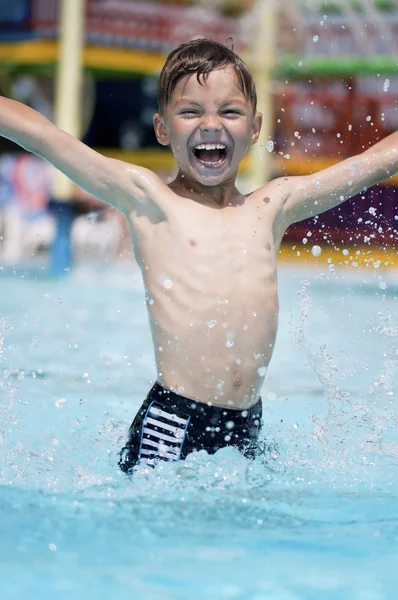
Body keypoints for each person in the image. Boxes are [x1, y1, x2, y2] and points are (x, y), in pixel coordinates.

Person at [0, 38, 396, 473]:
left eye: (229, 111)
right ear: (162, 128)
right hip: (172, 423)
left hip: (246, 424)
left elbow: (373, 162)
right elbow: (44, 136)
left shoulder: (272, 206)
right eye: (191, 112)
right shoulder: (149, 199)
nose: (211, 124)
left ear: (256, 126)